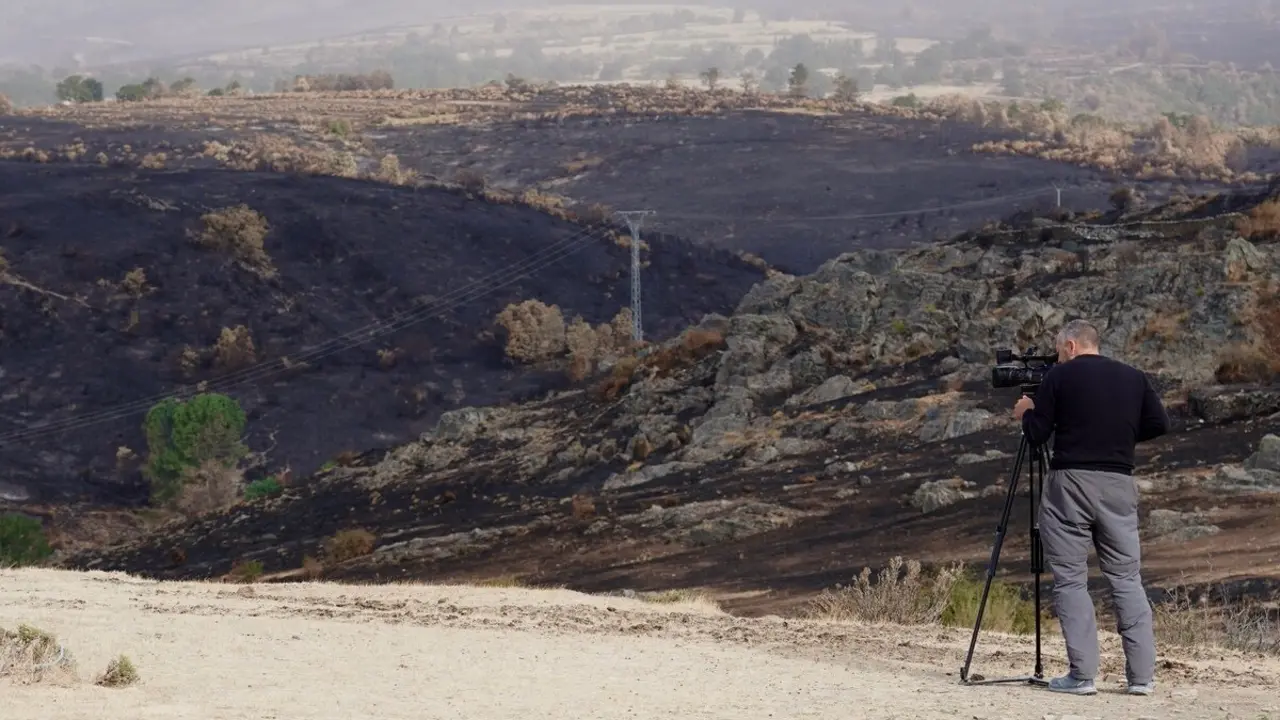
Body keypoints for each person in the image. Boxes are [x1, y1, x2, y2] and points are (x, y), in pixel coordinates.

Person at [1012, 319, 1170, 697]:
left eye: (1058, 350)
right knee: (1127, 579)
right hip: (1119, 484)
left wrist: (1025, 412)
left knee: (1070, 579)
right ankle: (1141, 679)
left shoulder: (1059, 378)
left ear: (1070, 345)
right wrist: (1122, 433)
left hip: (1071, 483)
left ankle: (1082, 677)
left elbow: (1037, 435)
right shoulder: (1134, 377)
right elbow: (1159, 423)